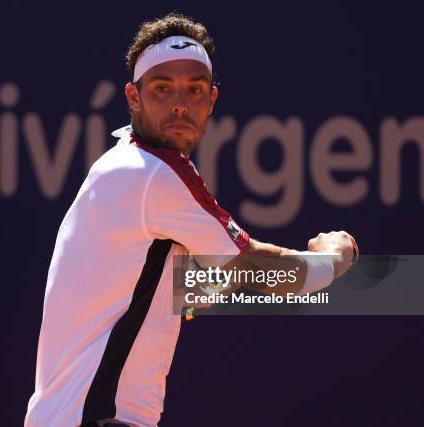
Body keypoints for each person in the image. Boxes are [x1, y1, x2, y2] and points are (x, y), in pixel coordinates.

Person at [24, 13, 358, 427]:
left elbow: (155, 287)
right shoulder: (150, 172)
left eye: (194, 90)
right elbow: (251, 265)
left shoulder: (126, 166)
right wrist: (331, 262)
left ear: (211, 100)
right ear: (134, 97)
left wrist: (206, 288)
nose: (180, 104)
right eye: (163, 88)